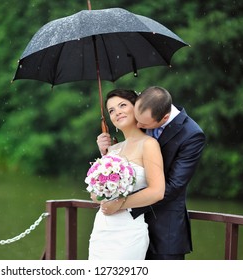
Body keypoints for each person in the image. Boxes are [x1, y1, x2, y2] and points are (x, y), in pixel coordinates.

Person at [98, 86, 206, 260]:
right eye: (112, 110)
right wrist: (107, 153)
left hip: (164, 231)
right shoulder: (147, 110)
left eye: (144, 125)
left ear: (163, 118)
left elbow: (173, 186)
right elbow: (130, 160)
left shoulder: (191, 135)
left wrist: (123, 205)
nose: (139, 125)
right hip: (123, 232)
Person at [88, 88, 165, 260]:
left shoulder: (149, 144)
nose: (117, 112)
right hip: (102, 229)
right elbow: (95, 195)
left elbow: (157, 191)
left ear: (136, 108)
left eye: (123, 105)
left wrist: (119, 203)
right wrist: (101, 196)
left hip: (128, 232)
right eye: (111, 110)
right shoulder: (112, 150)